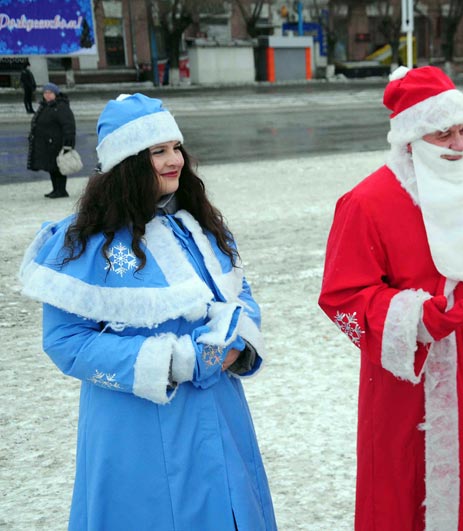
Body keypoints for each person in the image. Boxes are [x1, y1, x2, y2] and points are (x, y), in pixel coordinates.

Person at [19, 93, 278, 531]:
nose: (174, 159)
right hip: (134, 428)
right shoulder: (84, 242)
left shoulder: (198, 224)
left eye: (175, 147)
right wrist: (174, 362)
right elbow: (66, 342)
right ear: (128, 161)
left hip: (219, 415)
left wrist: (234, 343)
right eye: (158, 151)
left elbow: (240, 290)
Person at [318, 66, 463, 531]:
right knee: (406, 487)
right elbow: (342, 296)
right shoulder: (366, 202)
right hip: (411, 378)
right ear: (411, 139)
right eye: (444, 134)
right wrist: (417, 318)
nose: (459, 144)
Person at [27, 82, 76, 198]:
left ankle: (61, 190)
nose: (47, 95)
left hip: (58, 143)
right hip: (47, 144)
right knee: (51, 168)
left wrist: (68, 144)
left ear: (55, 94)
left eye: (50, 93)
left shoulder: (61, 107)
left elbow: (68, 126)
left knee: (59, 167)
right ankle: (56, 189)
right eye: (45, 93)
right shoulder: (45, 106)